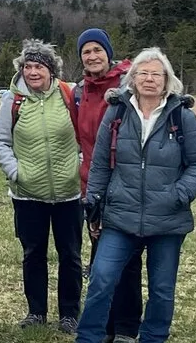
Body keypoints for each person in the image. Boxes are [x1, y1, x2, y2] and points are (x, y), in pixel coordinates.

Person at [76, 47, 196, 343]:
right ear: (132, 79)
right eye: (143, 74)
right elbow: (99, 164)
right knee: (101, 280)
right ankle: (88, 337)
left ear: (167, 80)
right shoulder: (117, 112)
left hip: (168, 220)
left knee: (162, 289)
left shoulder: (182, 116)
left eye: (156, 74)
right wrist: (94, 208)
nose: (149, 79)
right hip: (120, 217)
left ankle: (152, 338)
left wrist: (179, 194)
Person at [0, 39, 84, 333]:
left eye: (39, 66)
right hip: (28, 195)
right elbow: (0, 141)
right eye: (28, 66)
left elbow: (86, 136)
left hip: (69, 193)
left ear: (51, 70)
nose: (33, 72)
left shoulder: (70, 94)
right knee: (33, 254)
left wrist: (77, 168)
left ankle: (69, 314)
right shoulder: (14, 100)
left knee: (70, 254)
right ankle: (36, 312)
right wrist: (17, 173)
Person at [74, 28, 142, 343]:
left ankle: (127, 328)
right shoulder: (81, 91)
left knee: (126, 259)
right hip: (93, 184)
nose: (92, 56)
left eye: (97, 50)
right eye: (86, 52)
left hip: (125, 184)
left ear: (108, 53)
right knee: (102, 261)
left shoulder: (128, 84)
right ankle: (107, 326)